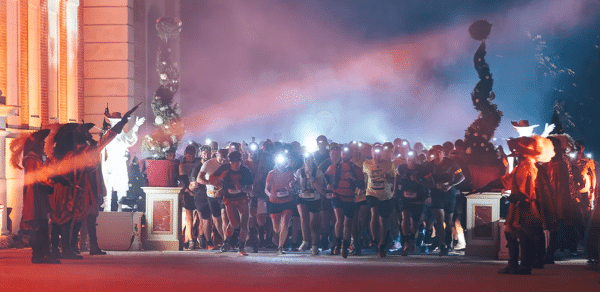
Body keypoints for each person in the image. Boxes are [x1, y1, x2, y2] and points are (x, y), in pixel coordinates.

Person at [498, 136, 551, 275]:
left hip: (526, 206)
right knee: (511, 232)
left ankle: (525, 265)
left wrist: (519, 198)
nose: (515, 153)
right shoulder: (520, 166)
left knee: (524, 234)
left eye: (518, 151)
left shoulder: (529, 167)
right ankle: (514, 264)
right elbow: (507, 181)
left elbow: (529, 190)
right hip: (518, 204)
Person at [10, 129, 56, 263]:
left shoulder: (33, 160)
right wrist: (51, 179)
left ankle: (42, 254)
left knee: (42, 226)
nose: (43, 146)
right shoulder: (32, 161)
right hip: (35, 198)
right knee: (40, 227)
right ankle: (39, 255)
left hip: (38, 196)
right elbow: (41, 177)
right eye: (42, 143)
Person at [423, 145, 464, 256]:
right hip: (437, 194)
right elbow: (424, 178)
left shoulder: (452, 163)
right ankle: (442, 245)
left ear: (443, 153)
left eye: (440, 152)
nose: (438, 154)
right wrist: (431, 184)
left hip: (449, 194)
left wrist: (450, 185)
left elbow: (461, 176)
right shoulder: (430, 165)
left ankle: (448, 242)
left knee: (449, 221)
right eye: (436, 152)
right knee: (439, 220)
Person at [101, 106, 145, 211]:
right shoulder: (108, 135)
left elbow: (130, 139)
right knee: (108, 189)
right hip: (110, 164)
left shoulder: (121, 136)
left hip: (119, 164)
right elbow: (101, 152)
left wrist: (136, 126)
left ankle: (121, 211)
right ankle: (107, 210)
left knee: (121, 188)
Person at [211, 151, 254, 255]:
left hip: (243, 199)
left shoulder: (246, 171)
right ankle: (227, 238)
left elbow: (251, 188)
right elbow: (211, 179)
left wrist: (243, 189)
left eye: (237, 163)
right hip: (229, 199)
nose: (235, 165)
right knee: (235, 224)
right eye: (232, 163)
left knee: (244, 224)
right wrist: (220, 178)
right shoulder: (224, 168)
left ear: (241, 161)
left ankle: (241, 247)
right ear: (229, 162)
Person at [326, 145, 365, 258]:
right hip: (337, 196)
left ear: (351, 155)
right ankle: (337, 244)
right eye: (343, 153)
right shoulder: (333, 167)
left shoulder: (356, 169)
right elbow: (325, 178)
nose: (345, 155)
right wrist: (329, 185)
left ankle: (345, 246)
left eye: (347, 153)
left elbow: (362, 185)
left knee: (348, 224)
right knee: (339, 220)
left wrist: (353, 179)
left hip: (350, 198)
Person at [363, 143, 396, 257]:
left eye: (379, 153)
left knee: (384, 220)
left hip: (386, 195)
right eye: (375, 153)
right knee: (374, 212)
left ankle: (382, 244)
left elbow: (394, 179)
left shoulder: (390, 164)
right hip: (372, 193)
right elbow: (364, 178)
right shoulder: (366, 164)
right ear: (372, 153)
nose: (377, 156)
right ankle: (374, 238)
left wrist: (390, 180)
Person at [395, 150, 429, 256]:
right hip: (404, 198)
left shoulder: (422, 169)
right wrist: (395, 191)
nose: (411, 161)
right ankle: (405, 242)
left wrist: (418, 180)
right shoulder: (401, 168)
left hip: (418, 198)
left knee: (414, 223)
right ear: (406, 159)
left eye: (413, 159)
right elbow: (397, 178)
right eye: (409, 159)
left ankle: (411, 240)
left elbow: (430, 182)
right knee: (405, 218)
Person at [265, 151, 296, 254]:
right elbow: (266, 189)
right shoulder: (271, 173)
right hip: (274, 202)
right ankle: (278, 240)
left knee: (285, 223)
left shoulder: (290, 172)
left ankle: (280, 246)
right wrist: (270, 194)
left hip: (287, 200)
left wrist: (291, 187)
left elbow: (293, 185)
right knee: (277, 227)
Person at [197, 149, 230, 247]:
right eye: (221, 159)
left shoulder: (228, 164)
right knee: (216, 219)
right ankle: (224, 239)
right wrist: (210, 183)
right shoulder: (208, 164)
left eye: (225, 159)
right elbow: (199, 179)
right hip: (211, 194)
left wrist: (224, 188)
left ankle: (227, 240)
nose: (223, 161)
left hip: (224, 194)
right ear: (216, 155)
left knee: (224, 216)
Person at [294, 153, 323, 255]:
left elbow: (321, 189)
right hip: (302, 198)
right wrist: (293, 183)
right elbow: (296, 184)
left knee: (313, 223)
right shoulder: (299, 172)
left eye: (310, 159)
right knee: (303, 218)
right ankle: (305, 240)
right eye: (306, 159)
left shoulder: (317, 172)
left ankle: (314, 245)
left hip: (314, 198)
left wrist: (313, 181)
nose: (308, 161)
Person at [190, 145, 214, 249]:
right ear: (201, 154)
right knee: (206, 219)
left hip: (213, 194)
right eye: (204, 153)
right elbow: (192, 184)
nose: (206, 155)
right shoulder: (197, 168)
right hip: (201, 195)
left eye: (208, 153)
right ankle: (207, 241)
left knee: (217, 218)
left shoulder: (213, 164)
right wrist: (193, 185)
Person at [179, 145, 202, 250]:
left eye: (192, 155)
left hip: (198, 192)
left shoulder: (198, 163)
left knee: (202, 217)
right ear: (185, 154)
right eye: (188, 156)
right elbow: (183, 179)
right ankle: (190, 240)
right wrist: (188, 189)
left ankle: (201, 239)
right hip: (188, 192)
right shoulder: (182, 165)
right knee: (189, 218)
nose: (190, 158)